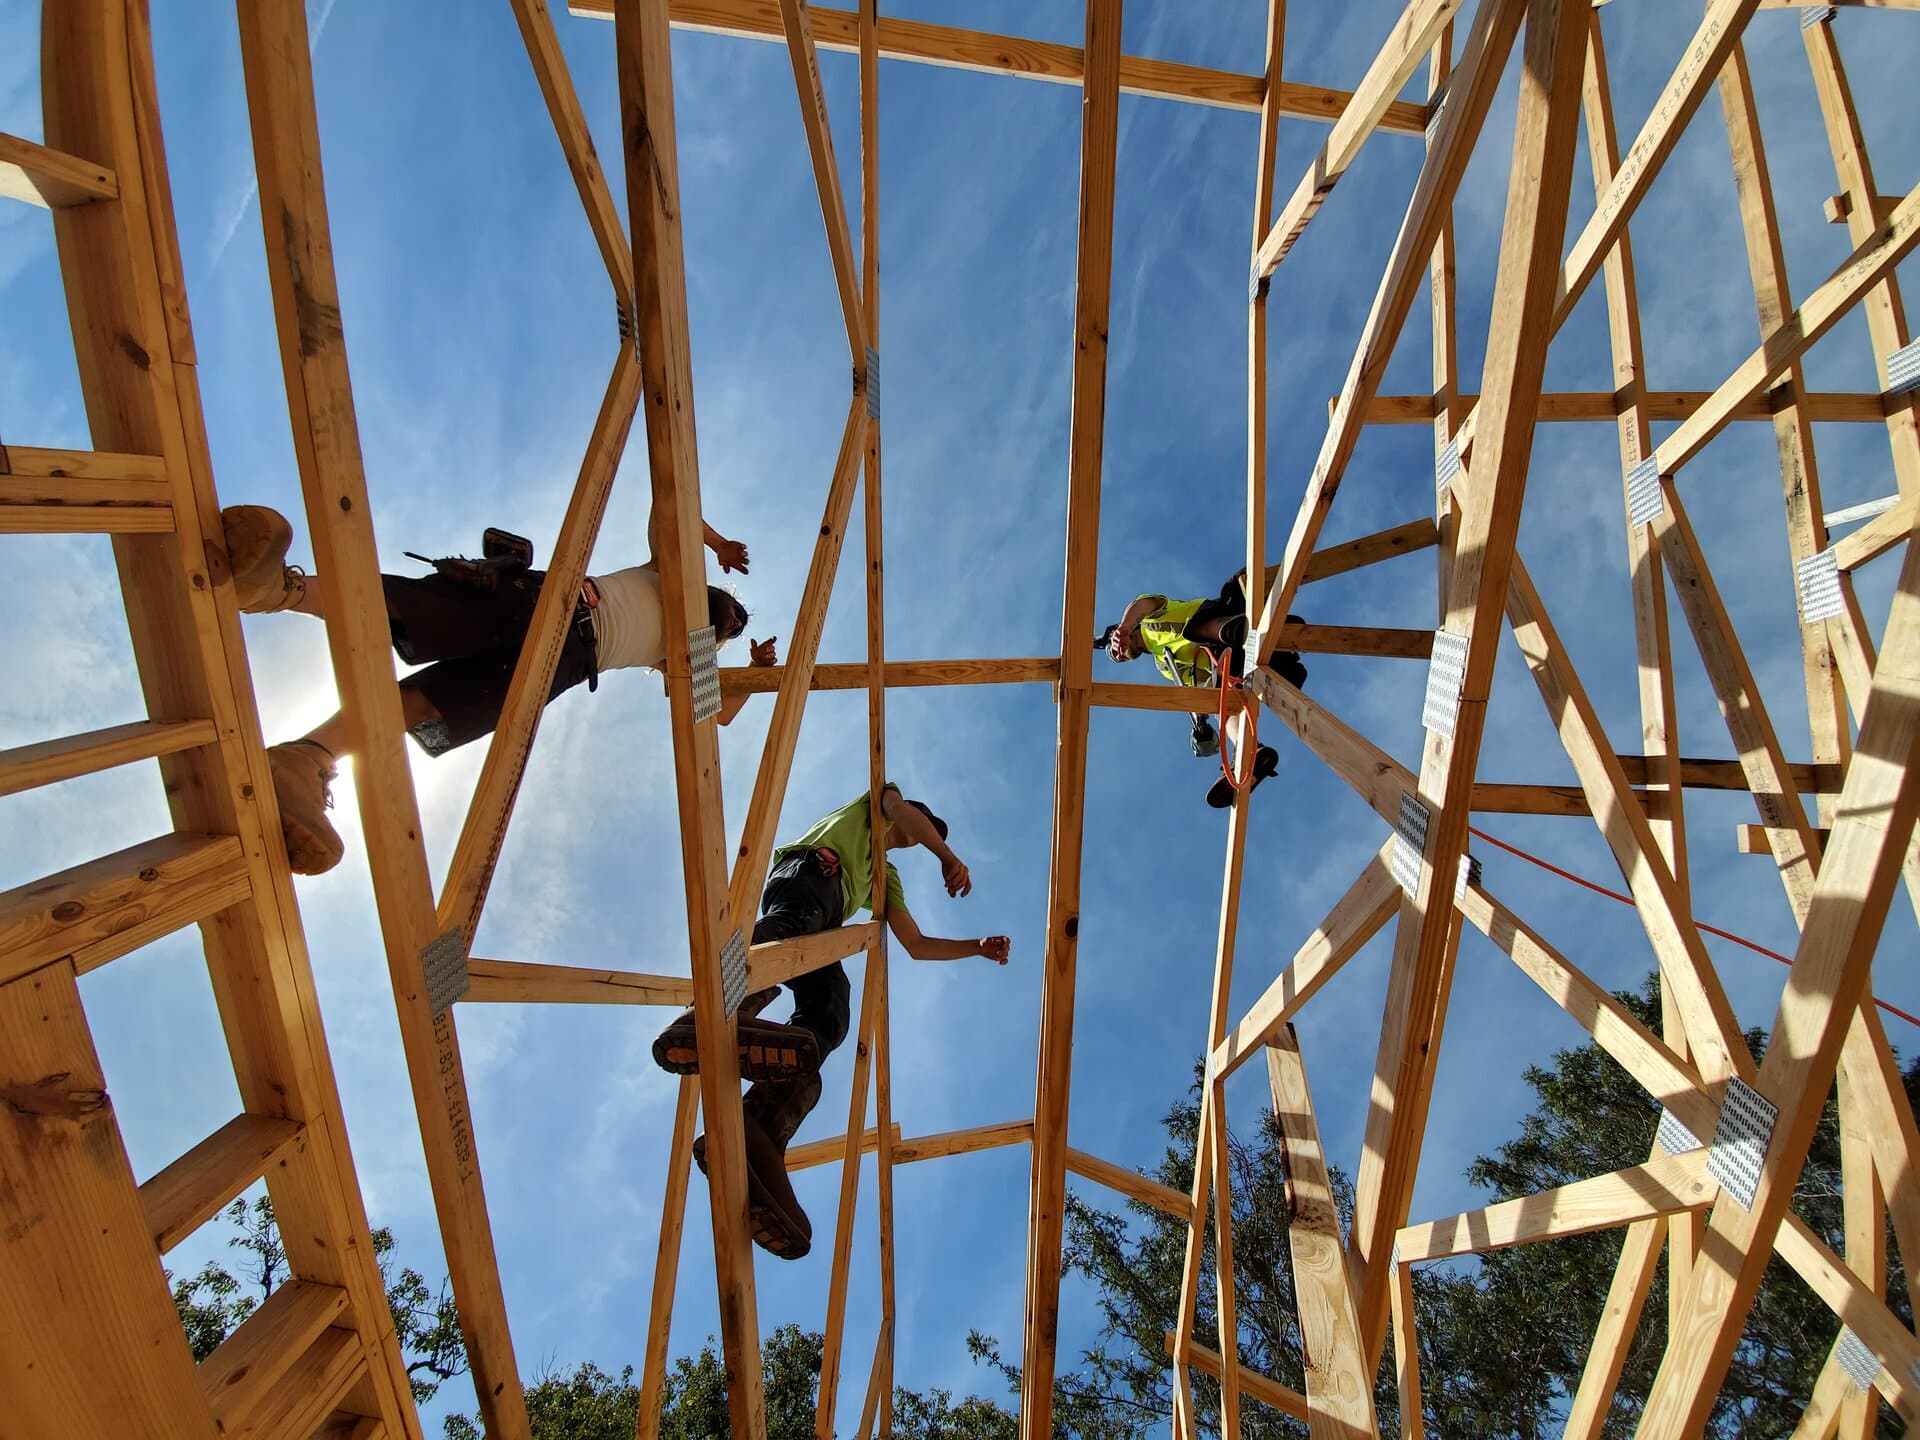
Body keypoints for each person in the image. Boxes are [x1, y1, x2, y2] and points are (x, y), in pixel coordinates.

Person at [222, 504, 774, 875]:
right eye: (716, 614)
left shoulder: (683, 655)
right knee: (422, 610)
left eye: (717, 628)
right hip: (558, 603)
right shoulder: (667, 571)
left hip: (567, 662)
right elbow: (670, 506)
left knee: (429, 704)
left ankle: (305, 760)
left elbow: (716, 715)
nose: (710, 622)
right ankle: (281, 590)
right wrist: (719, 544)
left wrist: (755, 676)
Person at [651, 784, 1010, 1259]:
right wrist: (946, 854)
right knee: (788, 928)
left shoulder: (887, 879)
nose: (916, 840)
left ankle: (759, 1124)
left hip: (828, 914)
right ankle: (711, 1010)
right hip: (809, 874)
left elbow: (916, 945)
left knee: (833, 1009)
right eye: (921, 830)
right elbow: (902, 811)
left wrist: (976, 948)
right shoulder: (879, 805)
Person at [1095, 565, 1309, 809]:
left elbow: (1140, 605)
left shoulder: (1150, 621)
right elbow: (1196, 689)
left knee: (1195, 629)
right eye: (1116, 657)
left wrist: (1122, 628)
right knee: (1221, 706)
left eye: (1115, 648)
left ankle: (1230, 631)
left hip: (1227, 614)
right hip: (1235, 663)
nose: (1119, 654)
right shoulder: (1164, 665)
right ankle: (1250, 754)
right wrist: (1201, 723)